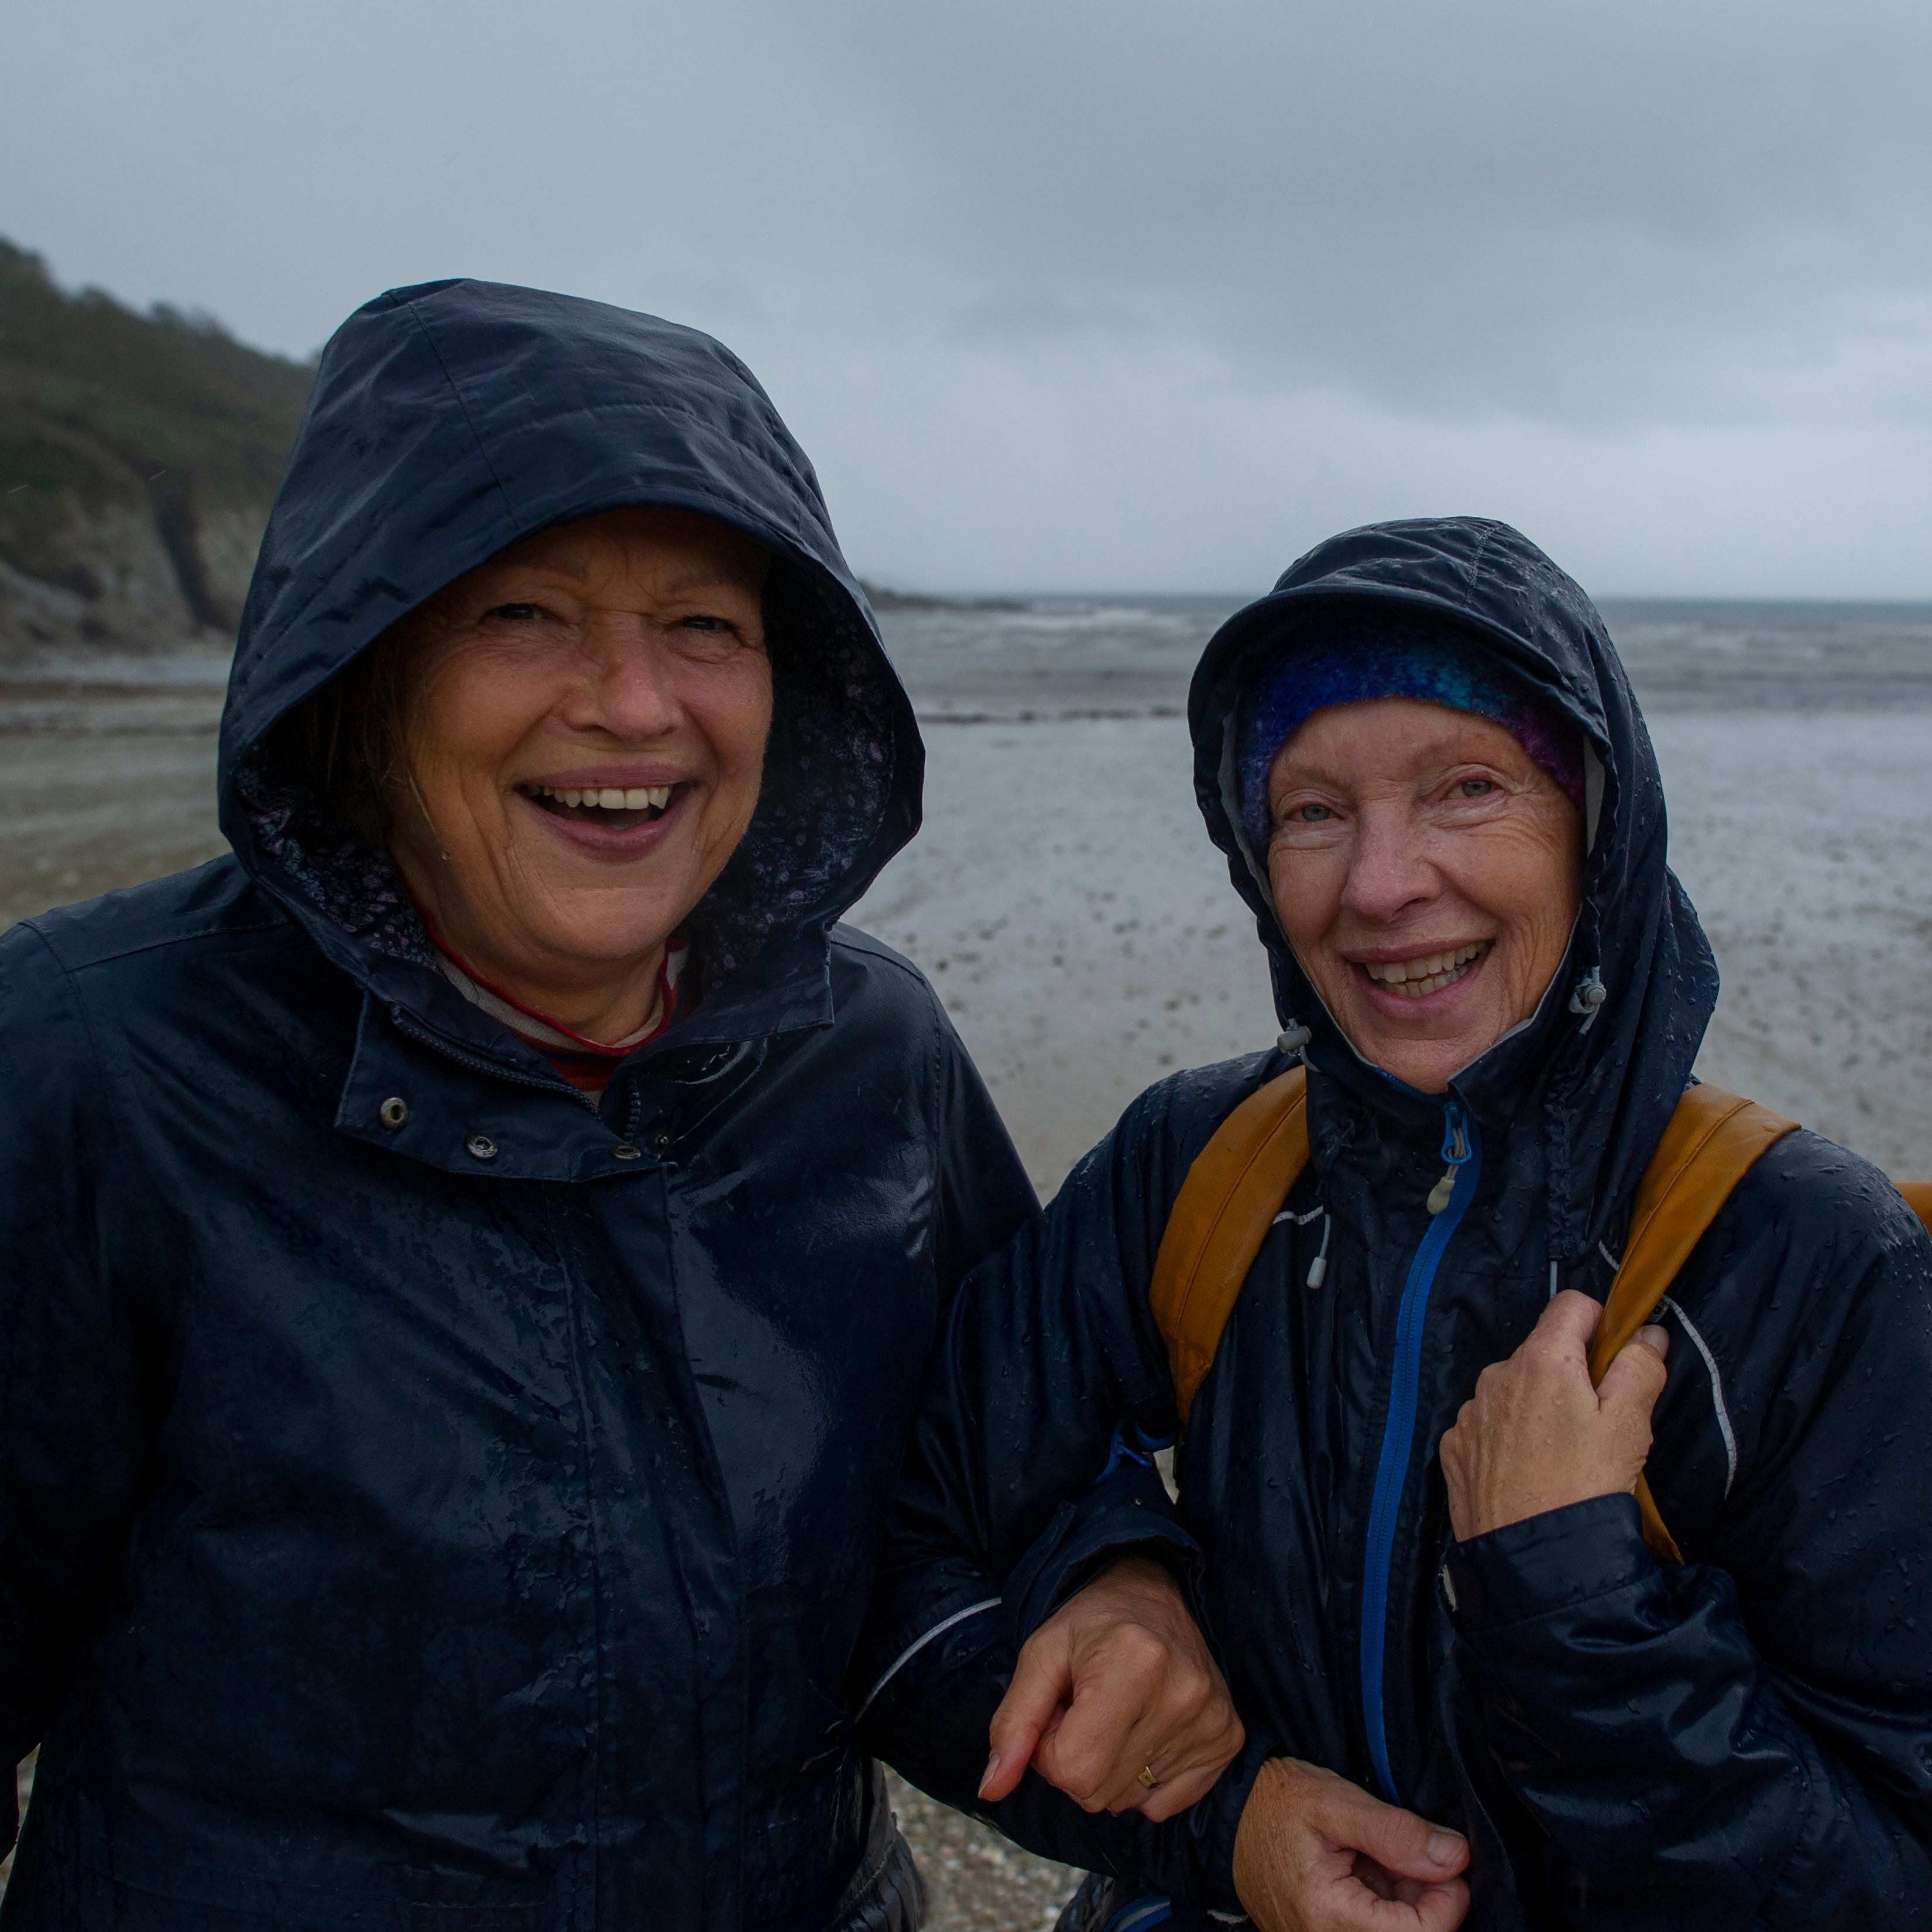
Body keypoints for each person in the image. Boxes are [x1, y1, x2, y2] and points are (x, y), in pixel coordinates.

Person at [0, 279, 1230, 1931]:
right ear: (365, 669)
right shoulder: (94, 1060)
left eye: (704, 626)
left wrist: (1117, 1577)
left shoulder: (868, 1052)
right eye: (523, 612)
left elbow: (1003, 1481)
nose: (635, 705)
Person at [860, 517, 1932, 1929]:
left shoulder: (1811, 1261)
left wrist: (1573, 1606)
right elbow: (897, 1563)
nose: (1377, 886)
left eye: (1467, 788)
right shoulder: (1193, 1166)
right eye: (1311, 811)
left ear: (1595, 827)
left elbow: (1883, 1878)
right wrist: (1130, 1599)